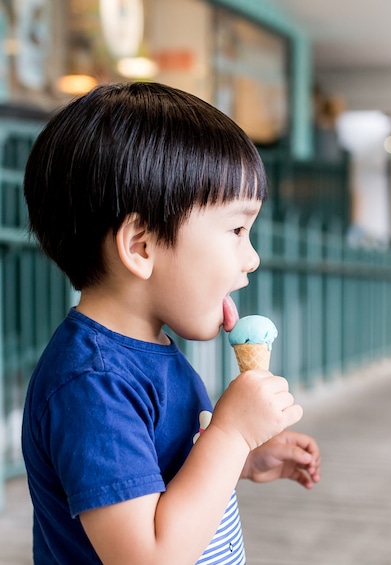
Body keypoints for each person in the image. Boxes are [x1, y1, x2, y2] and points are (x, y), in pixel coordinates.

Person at [21, 82, 321, 564]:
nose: (252, 258)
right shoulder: (93, 385)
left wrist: (241, 460)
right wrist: (229, 436)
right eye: (237, 230)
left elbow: (157, 473)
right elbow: (149, 555)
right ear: (141, 245)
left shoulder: (149, 352)